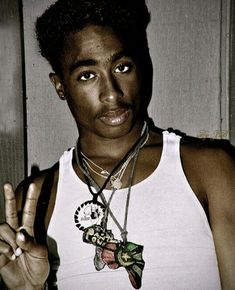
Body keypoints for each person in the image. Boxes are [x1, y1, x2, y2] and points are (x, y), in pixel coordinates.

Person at [0, 0, 235, 289]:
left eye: (122, 67)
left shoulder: (210, 168)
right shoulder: (38, 198)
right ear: (60, 86)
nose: (111, 94)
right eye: (87, 75)